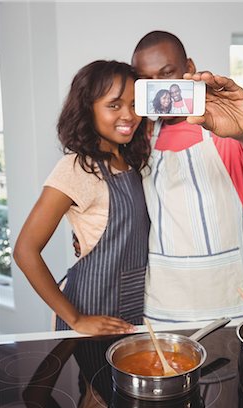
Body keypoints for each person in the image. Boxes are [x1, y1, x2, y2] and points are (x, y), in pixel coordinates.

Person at [130, 30, 243, 323]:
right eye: (146, 81)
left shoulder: (231, 122)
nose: (159, 89)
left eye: (167, 74)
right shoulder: (143, 136)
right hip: (160, 308)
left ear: (189, 68)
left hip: (228, 307)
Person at [14, 60, 150, 335]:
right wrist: (76, 319)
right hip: (90, 312)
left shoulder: (132, 162)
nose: (129, 115)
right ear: (89, 109)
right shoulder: (76, 168)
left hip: (134, 308)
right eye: (114, 105)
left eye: (135, 105)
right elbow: (24, 251)